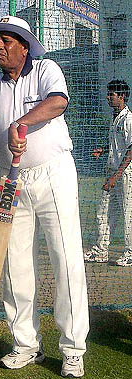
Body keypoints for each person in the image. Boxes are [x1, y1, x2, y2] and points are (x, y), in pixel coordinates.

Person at [0, 15, 89, 378]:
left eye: (7, 40)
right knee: (14, 264)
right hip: (11, 181)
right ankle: (24, 344)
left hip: (53, 172)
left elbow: (58, 102)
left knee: (66, 259)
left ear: (24, 45)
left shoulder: (46, 69)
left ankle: (72, 349)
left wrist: (21, 123)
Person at [84, 80, 132, 266]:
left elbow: (130, 149)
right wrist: (104, 150)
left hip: (125, 174)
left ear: (121, 96)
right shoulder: (115, 118)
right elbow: (119, 146)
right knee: (103, 213)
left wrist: (116, 176)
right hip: (112, 172)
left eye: (111, 94)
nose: (108, 97)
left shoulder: (128, 119)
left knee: (128, 214)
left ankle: (130, 253)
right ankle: (100, 251)